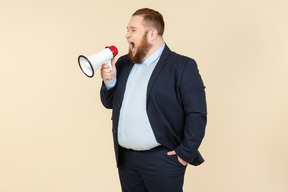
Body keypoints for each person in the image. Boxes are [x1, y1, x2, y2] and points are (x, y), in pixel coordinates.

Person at [100, 8, 207, 192]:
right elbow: (109, 103)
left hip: (163, 160)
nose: (127, 35)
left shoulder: (182, 66)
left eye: (133, 30)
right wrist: (109, 82)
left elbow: (196, 113)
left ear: (152, 34)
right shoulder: (124, 63)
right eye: (127, 29)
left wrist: (185, 153)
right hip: (127, 161)